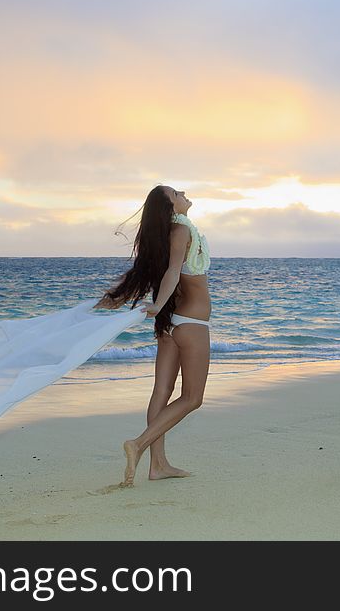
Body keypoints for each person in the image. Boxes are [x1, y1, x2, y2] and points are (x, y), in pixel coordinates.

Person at [95, 184, 211, 486]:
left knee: (163, 392)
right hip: (190, 322)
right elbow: (173, 272)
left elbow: (159, 273)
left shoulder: (170, 234)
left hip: (172, 323)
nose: (183, 192)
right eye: (176, 193)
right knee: (193, 398)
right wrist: (158, 305)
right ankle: (139, 444)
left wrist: (152, 307)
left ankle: (158, 465)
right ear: (169, 206)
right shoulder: (181, 229)